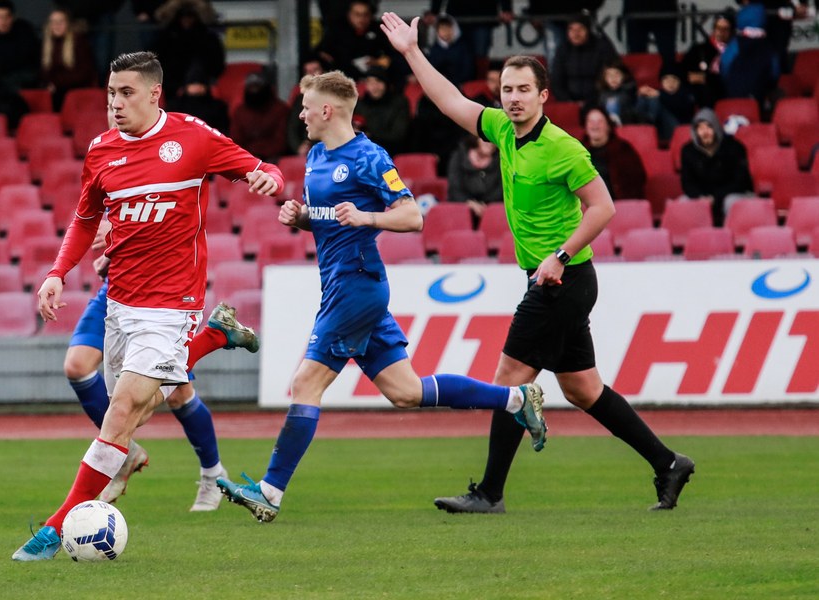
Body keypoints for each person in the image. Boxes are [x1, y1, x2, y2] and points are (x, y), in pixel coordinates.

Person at [381, 12, 695, 514]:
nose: (513, 98)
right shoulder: (503, 130)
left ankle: (489, 493)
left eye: (524, 89)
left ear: (543, 95)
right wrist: (412, 52)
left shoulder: (562, 148)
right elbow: (451, 102)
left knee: (509, 377)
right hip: (551, 278)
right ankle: (669, 463)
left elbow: (603, 207)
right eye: (507, 89)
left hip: (564, 280)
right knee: (583, 389)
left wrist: (560, 255)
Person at [215, 70, 547, 524]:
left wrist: (368, 217)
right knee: (406, 392)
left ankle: (270, 491)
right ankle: (516, 400)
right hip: (341, 283)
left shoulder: (369, 157)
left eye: (306, 108)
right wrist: (302, 217)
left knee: (306, 384)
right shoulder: (316, 155)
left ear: (327, 110)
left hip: (356, 284)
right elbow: (331, 218)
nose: (302, 116)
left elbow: (412, 217)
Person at [12, 51, 284, 560]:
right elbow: (85, 220)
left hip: (172, 304)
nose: (115, 104)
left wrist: (269, 177)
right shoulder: (101, 150)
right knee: (138, 408)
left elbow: (260, 166)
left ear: (155, 93)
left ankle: (53, 528)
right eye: (111, 93)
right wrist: (56, 272)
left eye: (126, 93)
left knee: (121, 414)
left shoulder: (192, 137)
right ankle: (215, 336)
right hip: (119, 303)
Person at [65, 219, 260, 510]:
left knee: (179, 393)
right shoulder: (109, 189)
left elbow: (170, 222)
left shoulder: (172, 191)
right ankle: (124, 450)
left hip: (161, 294)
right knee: (77, 365)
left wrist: (120, 233)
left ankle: (212, 474)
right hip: (117, 290)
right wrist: (111, 254)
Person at [679, 108, 754, 227]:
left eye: (709, 127)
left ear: (716, 127)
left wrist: (716, 197)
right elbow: (687, 182)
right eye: (700, 128)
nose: (705, 132)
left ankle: (732, 234)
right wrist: (700, 197)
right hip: (702, 196)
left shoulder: (735, 147)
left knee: (731, 201)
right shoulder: (688, 151)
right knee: (683, 202)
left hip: (732, 193)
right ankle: (697, 236)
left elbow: (741, 181)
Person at [151, 0, 225, 99]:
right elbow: (159, 64)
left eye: (190, 17)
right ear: (178, 18)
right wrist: (175, 86)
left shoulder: (207, 38)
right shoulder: (167, 39)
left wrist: (205, 84)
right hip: (174, 89)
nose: (187, 21)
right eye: (183, 17)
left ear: (196, 18)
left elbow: (217, 64)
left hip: (203, 89)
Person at [548, 13, 619, 105]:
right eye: (571, 29)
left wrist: (592, 102)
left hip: (599, 101)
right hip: (569, 102)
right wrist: (568, 101)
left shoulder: (602, 47)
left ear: (588, 30)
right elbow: (556, 81)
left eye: (580, 29)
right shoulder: (563, 49)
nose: (576, 34)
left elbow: (610, 76)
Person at [581, 107, 647, 200]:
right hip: (587, 206)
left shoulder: (622, 149)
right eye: (591, 121)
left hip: (618, 204)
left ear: (608, 126)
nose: (595, 125)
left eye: (600, 121)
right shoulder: (578, 152)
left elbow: (638, 179)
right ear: (586, 127)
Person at [40, 8, 97, 112]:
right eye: (53, 22)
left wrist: (57, 83)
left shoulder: (79, 41)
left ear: (68, 24)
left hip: (77, 88)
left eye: (61, 21)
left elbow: (84, 73)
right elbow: (44, 72)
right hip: (57, 90)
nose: (57, 25)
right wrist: (48, 84)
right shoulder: (47, 44)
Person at [230, 72, 290, 163]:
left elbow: (281, 141)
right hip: (246, 158)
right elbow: (236, 141)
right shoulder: (240, 112)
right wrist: (249, 156)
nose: (255, 91)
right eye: (251, 87)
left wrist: (261, 154)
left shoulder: (280, 109)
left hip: (274, 158)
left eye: (258, 87)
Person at [0, 0, 40, 92]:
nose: (2, 21)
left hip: (24, 78)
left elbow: (34, 61)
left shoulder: (25, 33)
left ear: (12, 17)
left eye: (6, 17)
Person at [429, 0, 514, 62]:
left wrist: (506, 9)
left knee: (479, 54)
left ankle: (479, 80)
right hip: (459, 15)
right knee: (453, 53)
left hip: (482, 15)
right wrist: (434, 11)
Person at [353, 66, 409, 157]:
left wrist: (369, 135)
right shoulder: (361, 104)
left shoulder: (399, 102)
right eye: (369, 82)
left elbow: (398, 135)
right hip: (363, 151)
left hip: (391, 152)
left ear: (386, 83)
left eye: (378, 81)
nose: (374, 87)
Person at [445, 134, 503, 221]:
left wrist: (485, 205)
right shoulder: (459, 156)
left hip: (489, 210)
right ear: (476, 138)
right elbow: (454, 186)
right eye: (485, 139)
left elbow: (501, 189)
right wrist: (470, 203)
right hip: (461, 208)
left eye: (493, 140)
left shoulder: (501, 160)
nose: (490, 143)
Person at [681, 13, 733, 108]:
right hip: (705, 96)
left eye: (726, 29)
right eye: (718, 28)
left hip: (729, 92)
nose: (721, 32)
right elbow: (686, 74)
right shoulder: (699, 49)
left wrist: (707, 78)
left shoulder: (736, 50)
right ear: (713, 29)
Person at [166, 66, 230, 135]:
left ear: (206, 86)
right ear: (186, 86)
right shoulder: (174, 107)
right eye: (193, 83)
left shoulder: (218, 107)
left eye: (200, 83)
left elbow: (223, 132)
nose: (196, 87)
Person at [425, 14, 475, 86]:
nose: (445, 31)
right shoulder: (434, 49)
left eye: (448, 28)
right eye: (442, 28)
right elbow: (431, 70)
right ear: (437, 31)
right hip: (439, 85)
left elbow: (468, 69)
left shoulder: (463, 47)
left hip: (460, 84)